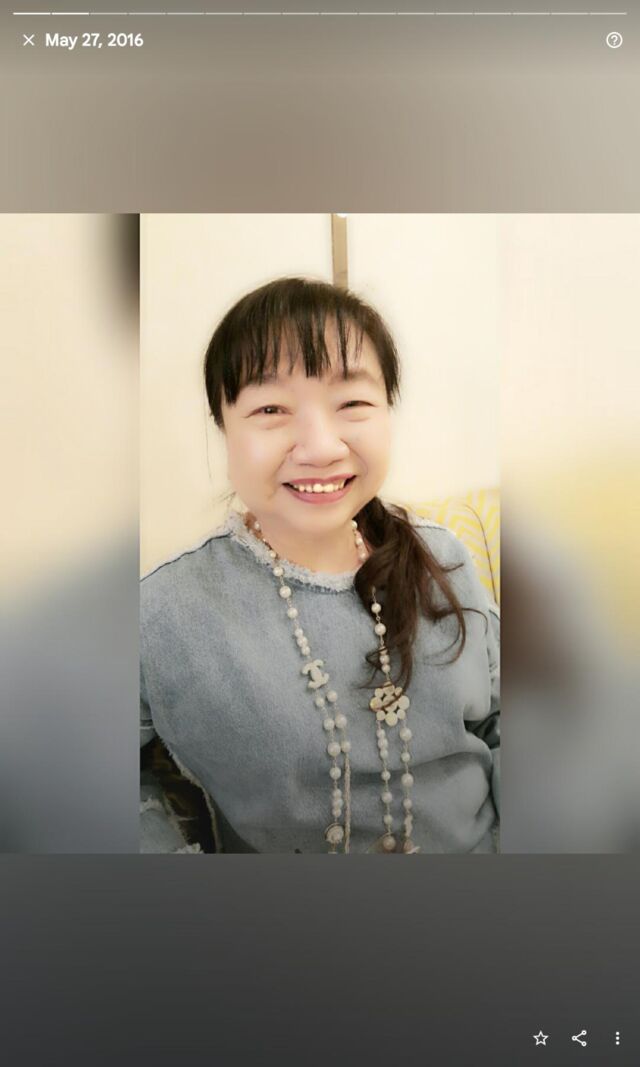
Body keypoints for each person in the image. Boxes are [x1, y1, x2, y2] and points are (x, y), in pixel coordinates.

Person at [140, 277, 500, 854]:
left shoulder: (443, 557)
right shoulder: (162, 610)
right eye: (271, 408)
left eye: (352, 403)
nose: (321, 446)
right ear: (223, 427)